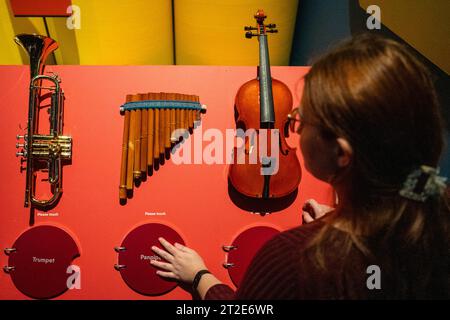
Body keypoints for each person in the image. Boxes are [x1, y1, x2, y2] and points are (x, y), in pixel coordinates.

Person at [150, 34, 450, 299]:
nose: (292, 127)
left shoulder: (292, 259)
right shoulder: (438, 224)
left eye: (301, 119)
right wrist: (340, 221)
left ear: (341, 153)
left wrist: (201, 277)